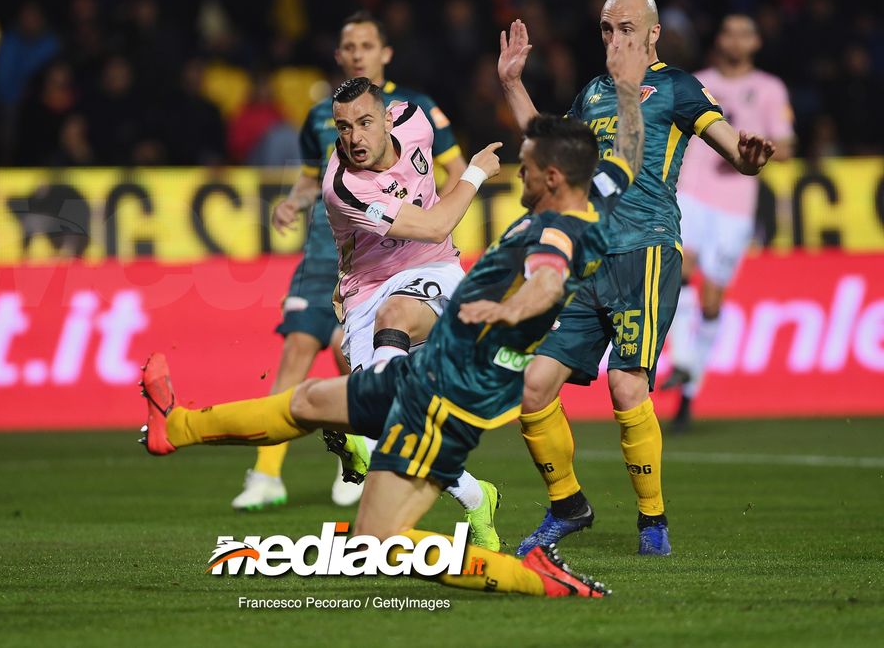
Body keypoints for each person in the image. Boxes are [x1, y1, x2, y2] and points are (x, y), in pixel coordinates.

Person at [137, 33, 664, 598]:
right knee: (327, 433)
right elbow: (629, 155)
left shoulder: (552, 232)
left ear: (552, 180)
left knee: (352, 489)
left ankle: (525, 574)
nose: (521, 174)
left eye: (528, 169)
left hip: (440, 384)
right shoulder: (590, 200)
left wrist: (509, 307)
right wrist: (627, 93)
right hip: (455, 384)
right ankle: (179, 426)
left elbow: (548, 280)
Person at [497, 0, 775, 557]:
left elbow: (731, 150)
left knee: (627, 385)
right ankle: (568, 505)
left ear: (652, 34)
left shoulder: (675, 86)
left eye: (625, 28)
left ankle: (652, 524)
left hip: (646, 249)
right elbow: (546, 150)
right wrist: (512, 84)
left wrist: (747, 158)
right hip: (588, 254)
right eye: (606, 28)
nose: (614, 39)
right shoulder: (594, 93)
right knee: (533, 386)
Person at [233, 11, 466, 511]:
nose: (357, 53)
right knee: (298, 346)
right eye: (349, 46)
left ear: (386, 53)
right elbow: (308, 175)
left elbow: (456, 168)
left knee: (352, 356)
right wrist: (295, 202)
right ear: (339, 56)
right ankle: (267, 474)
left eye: (367, 44)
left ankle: (364, 448)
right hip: (327, 251)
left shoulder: (416, 110)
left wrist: (431, 222)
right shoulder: (320, 116)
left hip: (398, 255)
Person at [318, 76, 503, 547]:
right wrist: (476, 173)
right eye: (343, 127)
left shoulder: (416, 118)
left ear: (386, 117)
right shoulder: (344, 186)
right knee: (388, 431)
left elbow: (438, 227)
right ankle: (476, 496)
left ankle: (367, 417)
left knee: (397, 316)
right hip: (366, 291)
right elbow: (437, 219)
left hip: (434, 270)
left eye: (364, 122)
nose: (354, 138)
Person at [662, 15, 796, 431]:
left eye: (744, 32)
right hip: (692, 193)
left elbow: (788, 145)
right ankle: (682, 361)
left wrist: (761, 150)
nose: (735, 39)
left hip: (736, 206)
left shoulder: (771, 88)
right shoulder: (693, 82)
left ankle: (688, 390)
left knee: (713, 299)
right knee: (680, 270)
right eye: (728, 31)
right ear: (718, 39)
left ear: (755, 42)